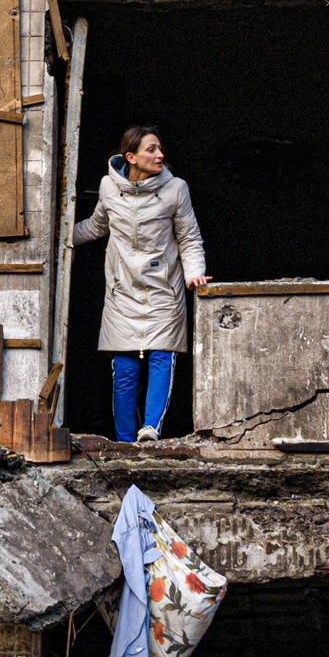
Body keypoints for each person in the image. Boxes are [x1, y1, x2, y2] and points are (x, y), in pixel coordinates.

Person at [76, 124, 206, 439]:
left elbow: (189, 238)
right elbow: (97, 226)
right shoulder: (109, 186)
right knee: (125, 370)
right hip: (122, 291)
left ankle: (150, 429)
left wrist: (194, 273)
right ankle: (124, 440)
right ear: (131, 157)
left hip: (163, 289)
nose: (160, 154)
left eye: (160, 148)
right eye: (151, 149)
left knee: (162, 357)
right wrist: (55, 238)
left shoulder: (176, 189)